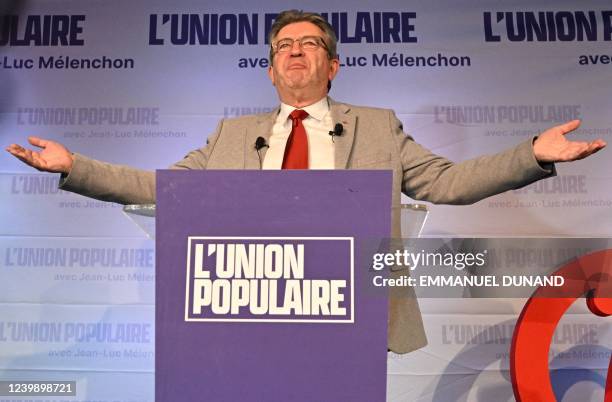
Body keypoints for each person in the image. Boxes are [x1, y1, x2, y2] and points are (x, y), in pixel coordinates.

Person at [5, 10, 606, 354]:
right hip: (251, 309)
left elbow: (447, 183)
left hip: (347, 310)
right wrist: (75, 167)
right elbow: (164, 187)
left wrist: (531, 153)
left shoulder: (376, 126)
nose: (296, 51)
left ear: (332, 64)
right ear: (270, 71)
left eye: (309, 43)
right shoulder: (232, 135)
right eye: (283, 45)